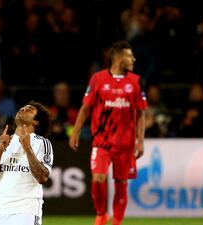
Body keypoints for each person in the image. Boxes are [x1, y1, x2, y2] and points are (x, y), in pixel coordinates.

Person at [68, 40, 147, 225]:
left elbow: (141, 113)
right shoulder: (98, 79)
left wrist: (140, 140)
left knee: (121, 183)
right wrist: (75, 132)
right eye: (129, 55)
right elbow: (85, 108)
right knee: (98, 177)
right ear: (118, 58)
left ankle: (117, 222)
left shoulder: (136, 81)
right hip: (102, 141)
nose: (133, 59)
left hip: (125, 143)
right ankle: (102, 214)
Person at [0, 101, 53, 225]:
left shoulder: (42, 143)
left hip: (26, 213)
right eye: (22, 107)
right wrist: (0, 150)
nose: (23, 109)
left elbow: (42, 177)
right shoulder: (1, 142)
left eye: (29, 109)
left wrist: (28, 148)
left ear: (36, 122)